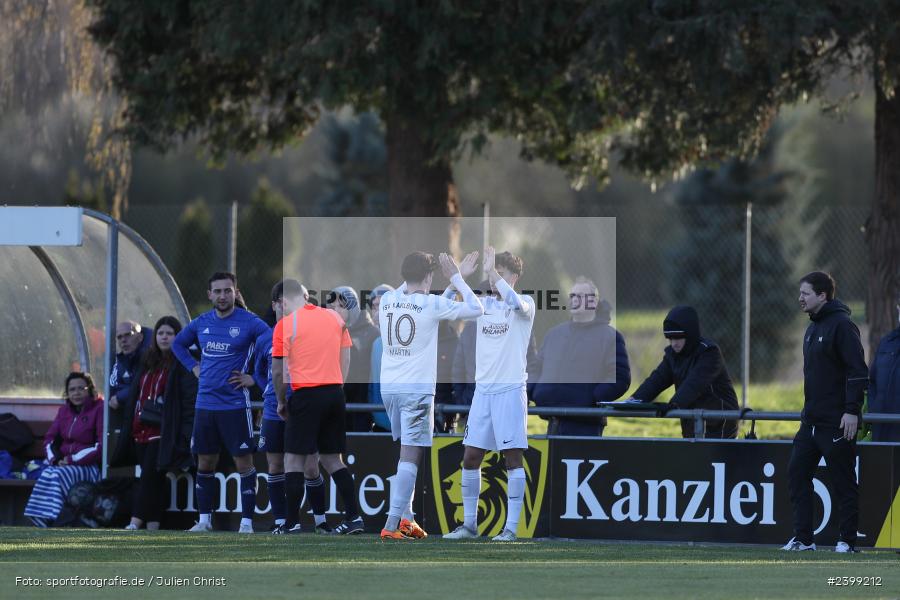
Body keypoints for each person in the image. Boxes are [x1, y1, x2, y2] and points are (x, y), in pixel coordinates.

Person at [378, 251, 484, 540]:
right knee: (411, 456)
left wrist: (442, 280)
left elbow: (419, 296)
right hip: (416, 390)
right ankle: (390, 525)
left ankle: (407, 519)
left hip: (389, 388)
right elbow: (476, 309)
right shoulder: (431, 304)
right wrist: (457, 278)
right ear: (428, 277)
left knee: (404, 453)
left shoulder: (388, 300)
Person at [445, 247, 534, 542]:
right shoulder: (483, 305)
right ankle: (470, 526)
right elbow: (446, 306)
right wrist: (459, 277)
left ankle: (510, 529)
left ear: (515, 277)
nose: (495, 280)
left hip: (510, 392)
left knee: (512, 459)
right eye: (493, 274)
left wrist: (494, 275)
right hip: (483, 393)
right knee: (470, 457)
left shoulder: (525, 305)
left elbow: (516, 303)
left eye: (503, 273)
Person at [172, 271, 271, 533]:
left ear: (235, 293)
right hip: (205, 406)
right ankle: (204, 521)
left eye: (227, 291)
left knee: (244, 464)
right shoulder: (201, 322)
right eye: (217, 291)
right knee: (205, 463)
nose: (222, 296)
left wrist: (255, 378)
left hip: (235, 406)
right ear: (209, 295)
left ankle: (247, 523)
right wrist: (193, 367)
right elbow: (178, 345)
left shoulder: (249, 322)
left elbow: (273, 344)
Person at [783, 271, 868, 553]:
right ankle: (804, 540)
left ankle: (847, 541)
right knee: (797, 474)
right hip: (811, 423)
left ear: (822, 295)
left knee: (843, 482)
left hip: (837, 422)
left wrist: (851, 411)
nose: (800, 299)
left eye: (805, 293)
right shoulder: (812, 328)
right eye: (800, 293)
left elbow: (857, 371)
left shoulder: (842, 326)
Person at [272, 278, 362, 535]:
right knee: (333, 460)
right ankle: (354, 518)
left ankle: (291, 523)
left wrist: (281, 400)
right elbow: (346, 356)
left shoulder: (286, 325)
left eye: (281, 303)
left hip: (306, 395)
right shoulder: (334, 318)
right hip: (334, 393)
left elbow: (278, 373)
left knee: (293, 461)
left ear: (284, 300)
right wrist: (337, 387)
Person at [530, 277, 631, 436]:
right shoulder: (555, 334)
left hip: (586, 424)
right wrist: (534, 391)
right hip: (553, 420)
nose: (575, 300)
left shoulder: (610, 336)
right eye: (572, 296)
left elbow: (620, 377)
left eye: (581, 296)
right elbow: (536, 368)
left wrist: (592, 399)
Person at [113, 316, 184, 530]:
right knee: (155, 478)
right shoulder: (148, 360)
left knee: (149, 476)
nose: (164, 337)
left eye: (169, 333)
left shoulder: (181, 362)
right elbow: (135, 390)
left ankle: (135, 521)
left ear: (177, 336)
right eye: (161, 333)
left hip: (162, 429)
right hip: (140, 426)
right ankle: (154, 523)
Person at [630, 305, 739, 439]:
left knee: (709, 457)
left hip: (719, 421)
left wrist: (674, 404)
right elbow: (657, 379)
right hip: (691, 421)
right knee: (693, 457)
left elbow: (694, 384)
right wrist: (634, 400)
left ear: (690, 334)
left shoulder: (709, 353)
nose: (674, 343)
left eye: (678, 338)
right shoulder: (672, 355)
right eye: (670, 339)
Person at [24, 372, 104, 527]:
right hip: (65, 465)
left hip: (88, 466)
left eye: (81, 388)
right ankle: (48, 519)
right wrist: (56, 460)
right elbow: (49, 440)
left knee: (57, 475)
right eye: (72, 389)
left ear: (90, 390)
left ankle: (55, 520)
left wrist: (72, 460)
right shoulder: (63, 412)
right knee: (48, 472)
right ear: (67, 393)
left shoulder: (99, 409)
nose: (77, 393)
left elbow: (100, 446)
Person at [252, 280, 293, 533]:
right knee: (275, 465)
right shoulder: (265, 337)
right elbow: (258, 370)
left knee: (301, 465)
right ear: (275, 304)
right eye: (283, 301)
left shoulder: (303, 332)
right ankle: (280, 520)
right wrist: (269, 388)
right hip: (272, 410)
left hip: (299, 407)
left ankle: (307, 519)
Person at [328, 286, 380, 432]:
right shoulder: (330, 331)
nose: (336, 310)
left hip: (363, 405)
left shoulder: (372, 333)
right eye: (333, 306)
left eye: (342, 306)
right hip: (337, 402)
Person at [108, 321, 151, 430]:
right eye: (119, 337)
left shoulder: (152, 358)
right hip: (127, 420)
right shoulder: (120, 361)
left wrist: (121, 397)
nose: (123, 340)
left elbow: (146, 385)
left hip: (149, 420)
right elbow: (112, 388)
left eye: (128, 335)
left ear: (140, 337)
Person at [868, 294, 900, 442]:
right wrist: (874, 409)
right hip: (883, 424)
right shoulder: (887, 341)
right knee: (881, 464)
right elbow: (873, 380)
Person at [368, 284, 394, 433]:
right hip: (379, 420)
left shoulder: (404, 339)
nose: (377, 310)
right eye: (375, 306)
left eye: (383, 305)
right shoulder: (375, 343)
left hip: (402, 423)